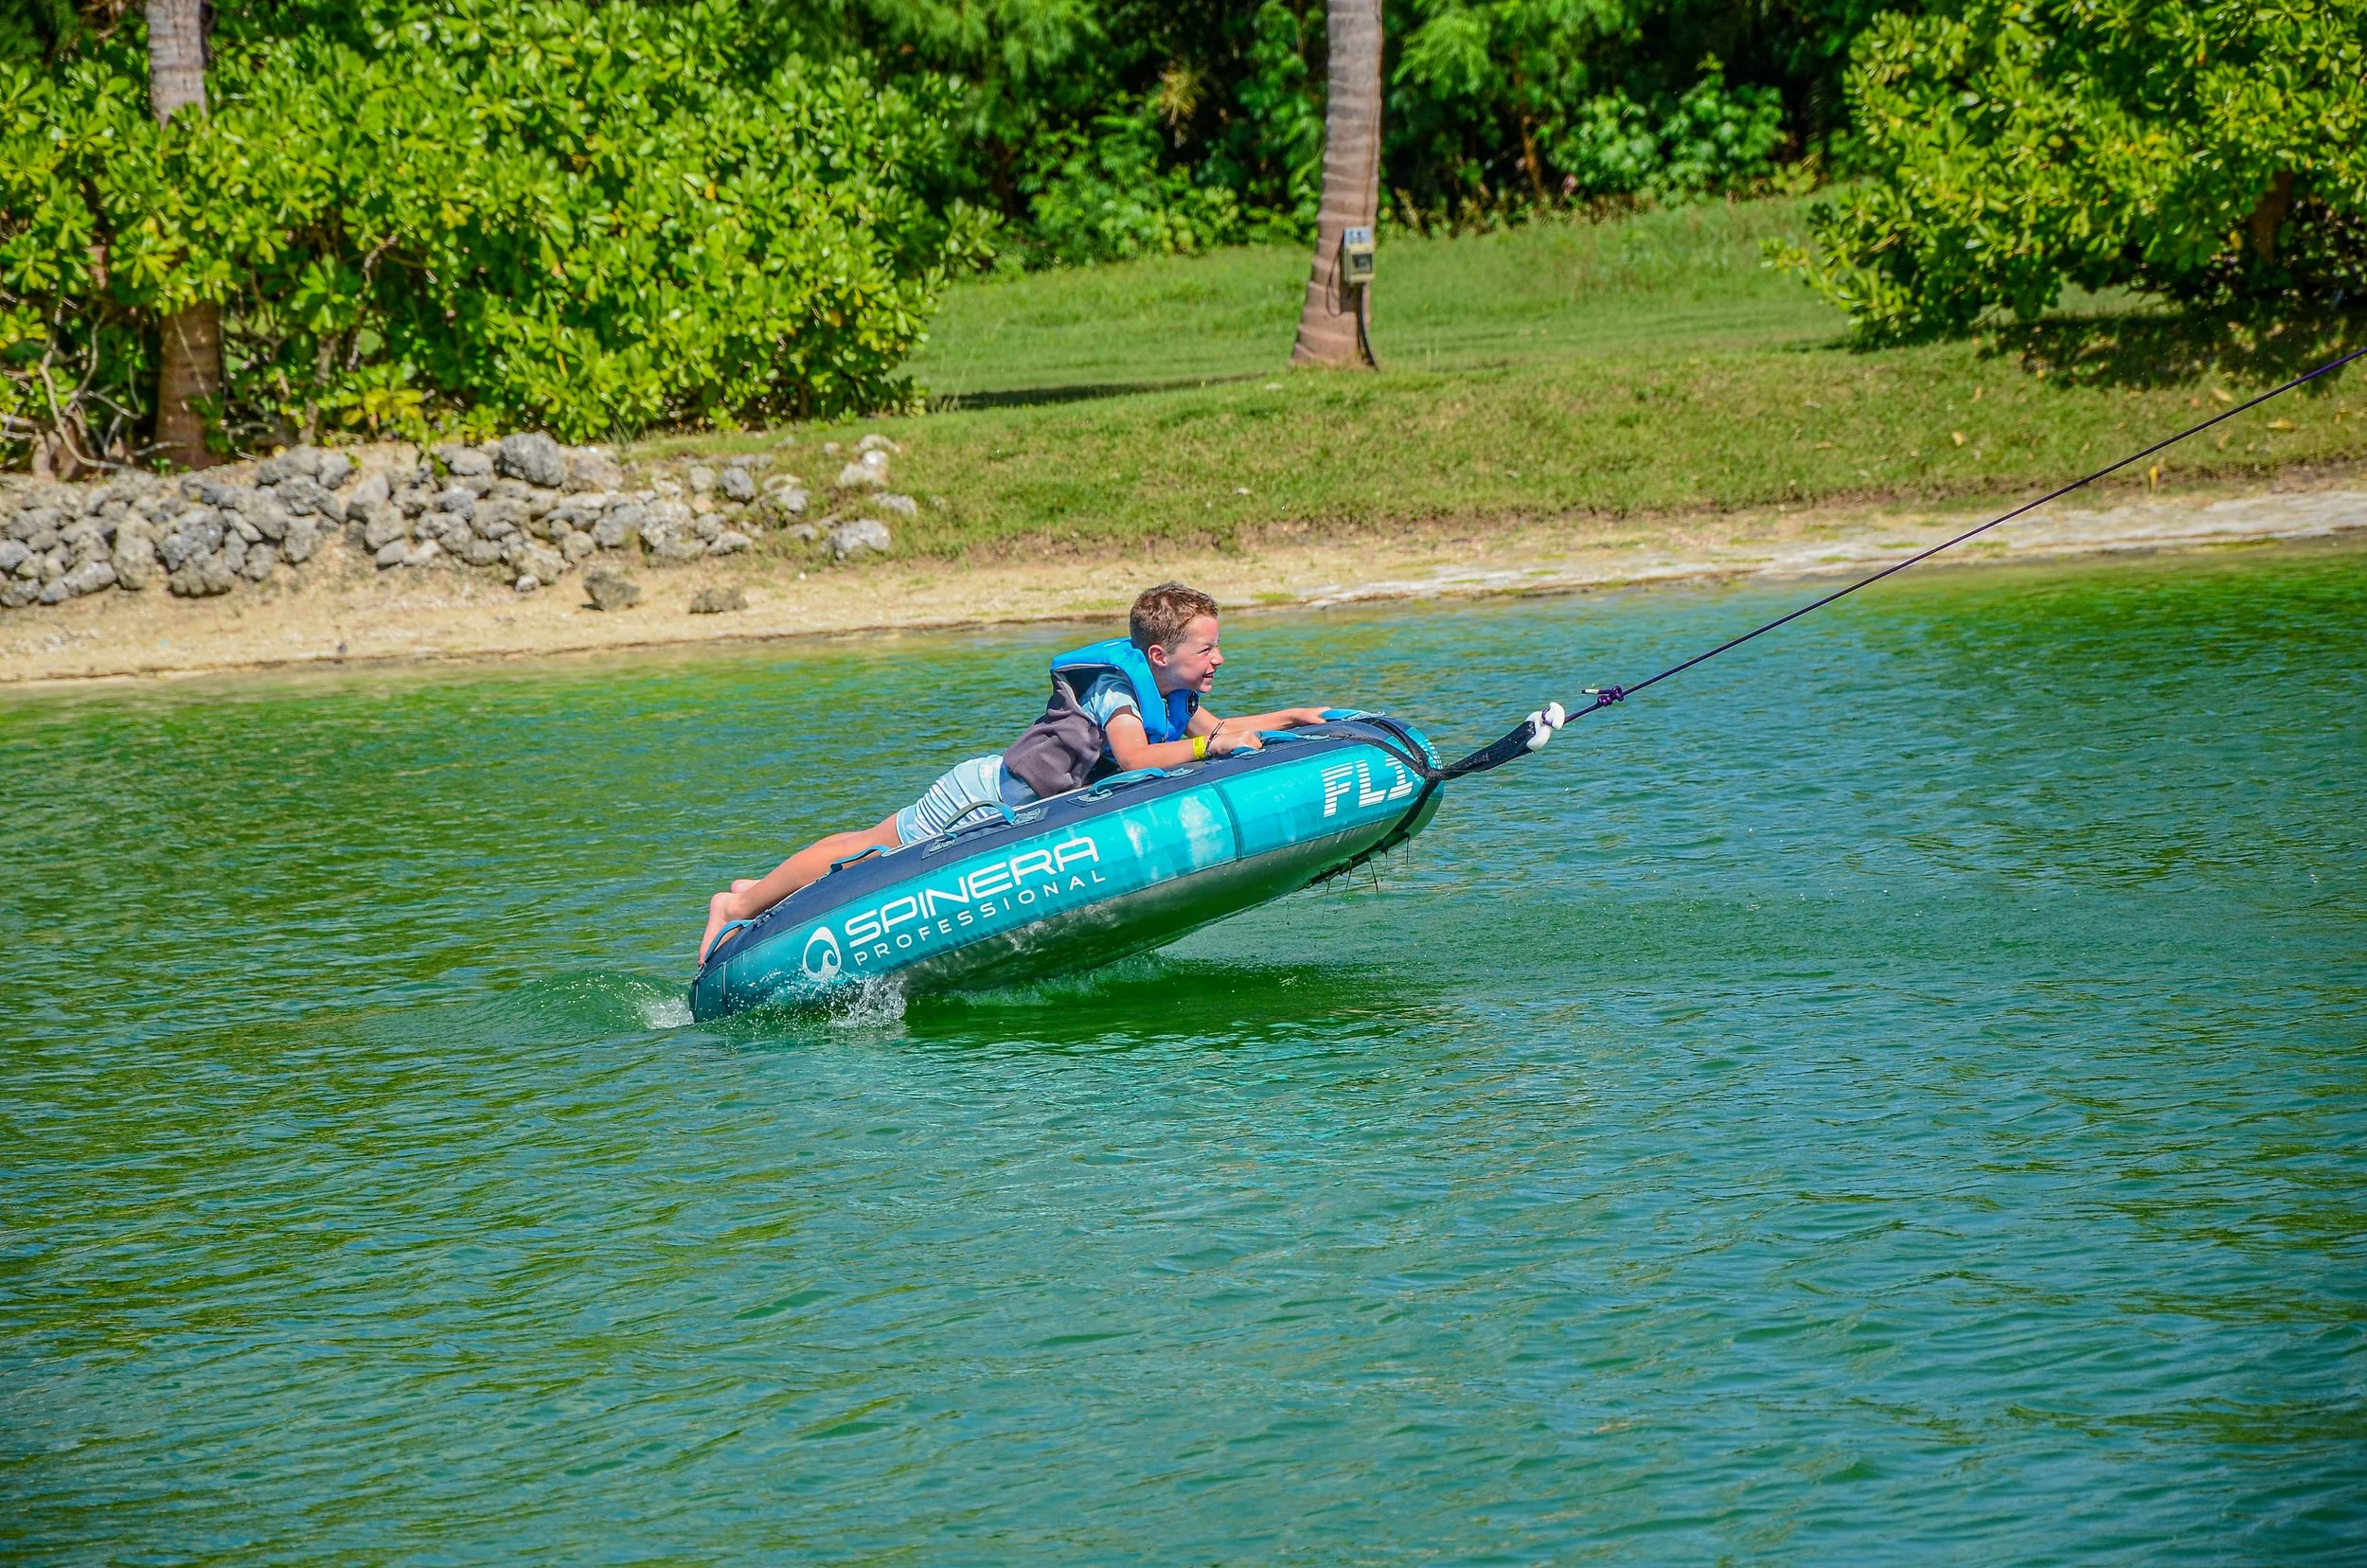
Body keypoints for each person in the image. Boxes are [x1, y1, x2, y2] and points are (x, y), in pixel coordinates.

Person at [697, 582, 1332, 962]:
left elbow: (1213, 731)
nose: (1220, 657)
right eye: (1207, 649)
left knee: (867, 844)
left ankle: (754, 888)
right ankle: (741, 901)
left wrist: (1293, 716)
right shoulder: (1117, 692)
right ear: (1162, 654)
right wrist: (1209, 752)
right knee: (866, 851)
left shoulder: (1172, 694)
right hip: (980, 800)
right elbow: (1139, 759)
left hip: (1007, 804)